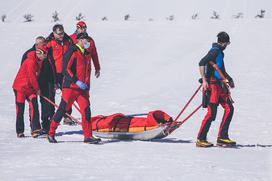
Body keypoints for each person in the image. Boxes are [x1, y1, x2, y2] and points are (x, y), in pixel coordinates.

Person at [47, 33, 101, 144]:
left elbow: (87, 71)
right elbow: (65, 69)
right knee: (62, 110)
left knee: (86, 111)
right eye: (85, 40)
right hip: (70, 87)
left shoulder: (86, 53)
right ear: (79, 40)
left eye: (88, 40)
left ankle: (88, 136)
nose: (87, 42)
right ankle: (51, 133)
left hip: (82, 89)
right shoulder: (72, 51)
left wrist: (86, 85)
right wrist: (76, 81)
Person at [196, 31, 235, 147]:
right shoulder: (215, 51)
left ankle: (222, 137)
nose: (227, 46)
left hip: (220, 86)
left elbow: (220, 69)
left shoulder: (219, 52)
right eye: (227, 43)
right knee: (212, 113)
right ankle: (200, 139)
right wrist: (204, 80)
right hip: (213, 87)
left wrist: (229, 78)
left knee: (229, 108)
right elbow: (201, 62)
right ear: (224, 42)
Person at [21, 36, 55, 134]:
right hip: (32, 83)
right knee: (33, 104)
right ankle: (34, 127)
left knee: (46, 104)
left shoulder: (47, 53)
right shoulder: (28, 54)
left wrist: (53, 82)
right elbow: (24, 70)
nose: (44, 46)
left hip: (44, 82)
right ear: (36, 45)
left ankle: (46, 125)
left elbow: (52, 68)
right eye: (41, 44)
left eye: (44, 44)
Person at [13, 45, 48, 138]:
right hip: (20, 88)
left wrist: (35, 89)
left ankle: (35, 129)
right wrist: (38, 89)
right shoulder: (30, 62)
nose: (45, 57)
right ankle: (20, 131)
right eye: (44, 54)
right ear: (40, 53)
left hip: (30, 89)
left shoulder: (39, 61)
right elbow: (32, 77)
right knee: (20, 109)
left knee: (34, 106)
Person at [46, 24, 75, 125]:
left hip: (65, 73)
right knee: (51, 95)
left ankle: (67, 116)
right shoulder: (49, 42)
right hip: (53, 73)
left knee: (67, 94)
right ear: (54, 33)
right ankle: (51, 116)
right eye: (58, 34)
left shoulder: (68, 41)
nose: (61, 36)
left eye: (62, 33)